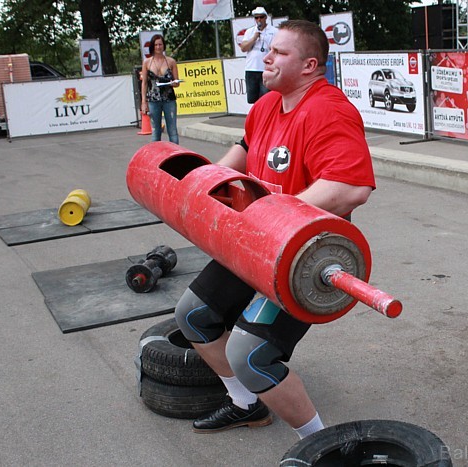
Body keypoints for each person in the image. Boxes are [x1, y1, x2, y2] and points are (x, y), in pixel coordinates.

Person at [174, 20, 375, 440]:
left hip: (303, 257)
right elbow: (244, 152)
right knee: (193, 315)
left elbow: (349, 188)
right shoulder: (267, 105)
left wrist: (273, 215)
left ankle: (318, 445)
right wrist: (201, 183)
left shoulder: (328, 109)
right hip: (253, 241)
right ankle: (246, 405)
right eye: (269, 50)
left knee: (250, 353)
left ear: (309, 65)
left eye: (280, 52)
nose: (266, 57)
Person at [141, 34, 180, 144]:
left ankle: (175, 155)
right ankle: (156, 156)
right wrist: (144, 102)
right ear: (152, 46)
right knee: (156, 131)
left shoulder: (171, 61)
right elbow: (144, 83)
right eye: (156, 45)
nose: (158, 47)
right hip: (153, 99)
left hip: (169, 99)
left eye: (160, 44)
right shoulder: (147, 62)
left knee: (172, 130)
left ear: (164, 46)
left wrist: (173, 83)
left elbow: (177, 82)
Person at [239, 6, 276, 104]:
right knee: (252, 99)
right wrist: (254, 38)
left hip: (266, 69)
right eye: (256, 17)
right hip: (252, 68)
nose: (259, 19)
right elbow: (243, 48)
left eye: (261, 17)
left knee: (266, 99)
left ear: (266, 17)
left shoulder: (274, 31)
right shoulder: (250, 31)